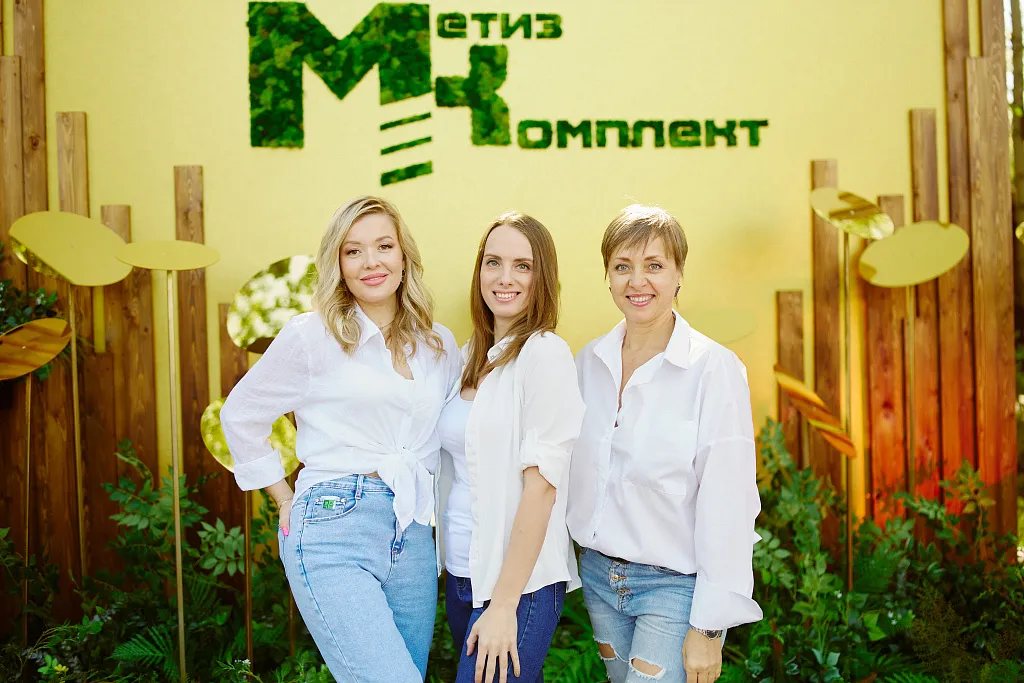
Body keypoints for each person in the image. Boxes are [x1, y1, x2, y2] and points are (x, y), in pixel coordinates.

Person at [221, 196, 461, 682]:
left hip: (413, 532)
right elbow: (240, 414)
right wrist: (283, 496)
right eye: (353, 251)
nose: (371, 262)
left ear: (404, 257)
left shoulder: (438, 343)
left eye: (384, 246)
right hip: (334, 523)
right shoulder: (311, 337)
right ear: (339, 265)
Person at [567, 204, 763, 683]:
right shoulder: (588, 363)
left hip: (674, 588)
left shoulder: (713, 370)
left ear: (679, 274)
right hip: (599, 578)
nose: (638, 282)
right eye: (623, 267)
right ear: (608, 276)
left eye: (654, 265)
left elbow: (729, 503)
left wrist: (709, 626)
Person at [435, 211, 585, 683]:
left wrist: (503, 605)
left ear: (543, 277)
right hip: (462, 576)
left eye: (523, 265)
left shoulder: (544, 355)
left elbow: (542, 488)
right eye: (493, 262)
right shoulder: (468, 358)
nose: (505, 278)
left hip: (519, 587)